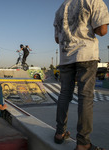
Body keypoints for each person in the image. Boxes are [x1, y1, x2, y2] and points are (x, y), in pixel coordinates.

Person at [53, 0, 109, 150]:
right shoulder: (93, 1)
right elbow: (102, 30)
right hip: (86, 54)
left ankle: (59, 133)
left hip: (65, 57)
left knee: (64, 94)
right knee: (85, 97)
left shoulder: (60, 9)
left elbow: (57, 38)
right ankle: (83, 143)